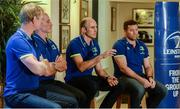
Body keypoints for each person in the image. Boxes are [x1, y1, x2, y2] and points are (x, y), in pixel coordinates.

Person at [4, 3, 73, 108]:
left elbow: (44, 67)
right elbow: (39, 70)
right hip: (17, 94)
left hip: (33, 90)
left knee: (71, 102)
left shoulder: (31, 40)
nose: (41, 22)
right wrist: (48, 65)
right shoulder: (18, 40)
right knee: (56, 108)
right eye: (40, 19)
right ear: (34, 20)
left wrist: (46, 65)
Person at [65, 17, 123, 108]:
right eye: (92, 27)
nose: (96, 30)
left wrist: (107, 77)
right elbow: (81, 67)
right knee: (92, 85)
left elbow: (99, 70)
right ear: (83, 30)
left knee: (117, 84)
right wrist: (101, 56)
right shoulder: (75, 44)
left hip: (88, 78)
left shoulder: (95, 44)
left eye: (96, 27)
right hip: (74, 79)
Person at [33, 13, 86, 107]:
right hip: (39, 84)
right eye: (48, 21)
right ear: (38, 23)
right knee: (72, 101)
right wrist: (55, 66)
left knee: (81, 96)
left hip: (51, 81)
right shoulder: (33, 43)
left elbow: (64, 65)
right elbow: (44, 70)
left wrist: (52, 66)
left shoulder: (51, 43)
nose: (51, 24)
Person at [111, 20, 167, 108]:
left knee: (162, 90)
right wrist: (142, 80)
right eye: (131, 30)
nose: (134, 33)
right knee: (139, 88)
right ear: (125, 31)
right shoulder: (119, 45)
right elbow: (123, 68)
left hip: (139, 75)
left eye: (136, 30)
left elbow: (147, 66)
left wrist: (149, 78)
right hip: (123, 78)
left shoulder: (142, 45)